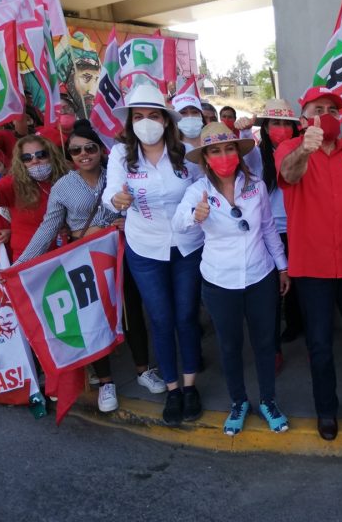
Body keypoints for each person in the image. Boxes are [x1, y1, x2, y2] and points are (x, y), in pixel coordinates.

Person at [15, 120, 165, 412]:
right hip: (84, 261)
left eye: (90, 148)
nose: (83, 154)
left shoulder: (118, 176)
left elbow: (143, 210)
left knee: (131, 312)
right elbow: (48, 227)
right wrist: (22, 264)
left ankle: (143, 370)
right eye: (76, 151)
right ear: (68, 155)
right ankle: (106, 382)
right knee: (93, 318)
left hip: (122, 255)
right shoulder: (63, 186)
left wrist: (128, 221)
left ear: (100, 150)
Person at [275, 86, 342, 441]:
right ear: (303, 118)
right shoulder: (291, 149)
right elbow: (289, 175)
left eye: (332, 110)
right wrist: (305, 149)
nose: (326, 115)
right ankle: (326, 411)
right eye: (317, 109)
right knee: (319, 345)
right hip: (311, 269)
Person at [174, 122, 290, 435]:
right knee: (229, 346)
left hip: (260, 276)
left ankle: (268, 401)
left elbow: (268, 228)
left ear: (238, 153)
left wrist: (282, 267)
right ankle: (238, 402)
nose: (224, 156)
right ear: (205, 158)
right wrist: (194, 216)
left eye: (229, 149)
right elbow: (178, 223)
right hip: (219, 282)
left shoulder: (256, 186)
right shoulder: (198, 192)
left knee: (265, 343)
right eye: (215, 151)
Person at [103, 84, 204, 427]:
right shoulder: (121, 154)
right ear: (130, 122)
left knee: (186, 316)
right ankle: (172, 389)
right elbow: (111, 192)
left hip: (187, 246)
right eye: (139, 116)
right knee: (160, 319)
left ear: (165, 120)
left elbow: (204, 187)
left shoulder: (185, 153)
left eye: (153, 115)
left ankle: (190, 386)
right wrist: (116, 200)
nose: (146, 122)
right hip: (145, 250)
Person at [251, 99, 305, 351]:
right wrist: (242, 130)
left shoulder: (302, 150)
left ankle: (295, 325)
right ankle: (272, 345)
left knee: (297, 283)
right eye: (275, 123)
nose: (281, 128)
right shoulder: (256, 155)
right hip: (269, 231)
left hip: (298, 228)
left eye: (286, 124)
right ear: (265, 127)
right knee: (272, 286)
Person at [0, 135, 68, 261]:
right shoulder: (14, 182)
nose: (35, 161)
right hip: (29, 260)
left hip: (67, 254)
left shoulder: (68, 178)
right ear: (21, 162)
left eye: (41, 155)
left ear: (52, 156)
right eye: (27, 158)